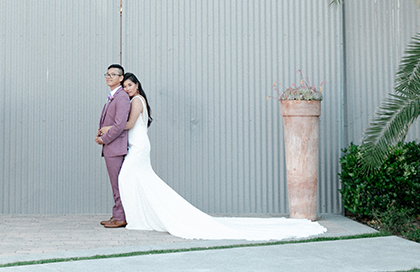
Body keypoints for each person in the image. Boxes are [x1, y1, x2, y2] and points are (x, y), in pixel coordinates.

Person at [112, 73, 327, 241]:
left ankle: (141, 217)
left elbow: (129, 124)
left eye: (129, 85)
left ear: (136, 85)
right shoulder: (137, 100)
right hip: (138, 146)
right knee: (138, 180)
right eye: (124, 87)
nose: (127, 89)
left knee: (126, 178)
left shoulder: (137, 101)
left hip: (138, 147)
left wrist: (109, 129)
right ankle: (141, 216)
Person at [95, 64, 130, 228]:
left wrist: (105, 139)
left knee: (118, 183)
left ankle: (121, 217)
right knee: (115, 183)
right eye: (107, 74)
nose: (109, 77)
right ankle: (117, 213)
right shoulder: (113, 96)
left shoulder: (121, 97)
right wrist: (101, 133)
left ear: (121, 78)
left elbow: (120, 124)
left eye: (113, 74)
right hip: (111, 145)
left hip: (115, 147)